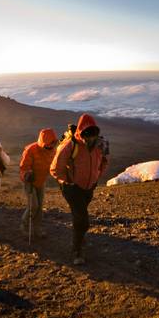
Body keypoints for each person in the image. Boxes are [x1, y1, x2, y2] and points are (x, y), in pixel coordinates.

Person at [50, 114, 108, 265]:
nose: (91, 137)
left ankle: (80, 239)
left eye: (93, 133)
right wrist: (68, 181)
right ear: (81, 132)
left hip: (88, 188)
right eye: (87, 133)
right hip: (72, 188)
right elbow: (55, 168)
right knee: (82, 220)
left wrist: (96, 179)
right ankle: (76, 251)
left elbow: (101, 164)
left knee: (81, 216)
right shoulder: (71, 145)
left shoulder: (98, 146)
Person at [19, 128, 58, 240]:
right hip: (29, 181)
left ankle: (37, 229)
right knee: (33, 205)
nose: (51, 147)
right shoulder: (31, 150)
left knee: (40, 207)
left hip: (41, 181)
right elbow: (24, 167)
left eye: (52, 144)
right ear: (43, 142)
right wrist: (27, 174)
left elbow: (54, 166)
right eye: (49, 144)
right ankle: (24, 226)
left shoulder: (53, 151)